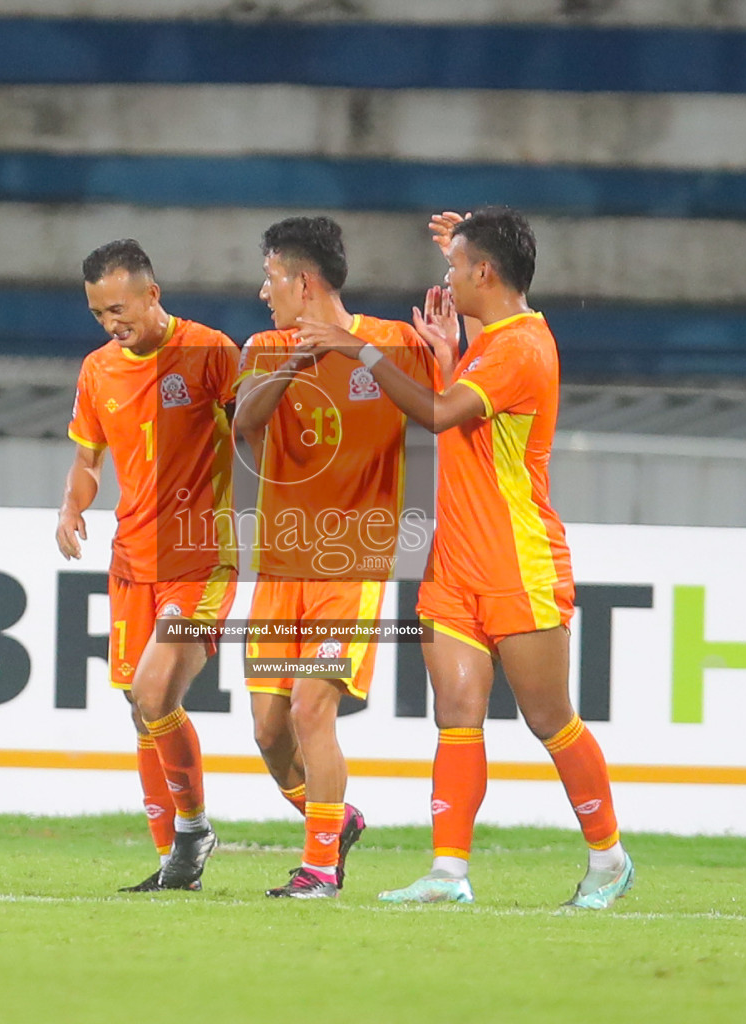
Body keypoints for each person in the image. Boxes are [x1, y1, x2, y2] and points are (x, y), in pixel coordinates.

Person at [294, 207, 634, 909]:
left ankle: (609, 861)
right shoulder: (494, 340)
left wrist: (360, 350)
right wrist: (450, 349)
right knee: (456, 712)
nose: (446, 279)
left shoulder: (521, 347)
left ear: (485, 273)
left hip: (518, 561)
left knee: (549, 719)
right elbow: (465, 404)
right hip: (456, 562)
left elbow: (442, 414)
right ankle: (449, 873)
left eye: (455, 266)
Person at [234, 216, 449, 898]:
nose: (264, 291)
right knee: (270, 733)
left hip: (352, 568)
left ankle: (320, 869)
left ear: (303, 281)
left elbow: (446, 402)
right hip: (281, 566)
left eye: (271, 278)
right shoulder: (265, 346)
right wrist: (294, 365)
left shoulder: (389, 343)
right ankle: (336, 820)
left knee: (308, 710)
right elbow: (243, 423)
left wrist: (357, 350)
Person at [59, 239, 240, 892]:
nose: (111, 323)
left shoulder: (210, 351)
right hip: (131, 561)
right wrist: (70, 507)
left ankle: (193, 830)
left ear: (151, 294)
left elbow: (260, 434)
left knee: (155, 693)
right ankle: (177, 862)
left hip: (198, 558)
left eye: (118, 308)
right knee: (141, 709)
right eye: (99, 314)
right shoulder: (97, 370)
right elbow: (88, 462)